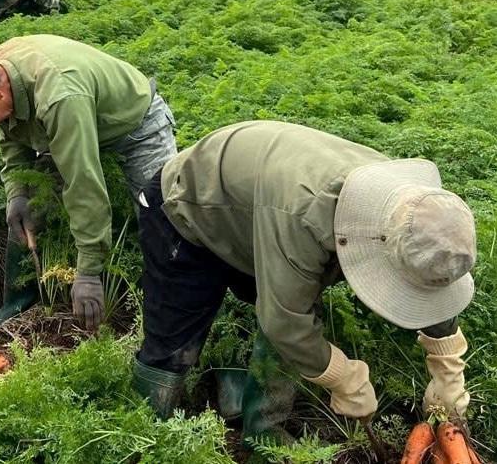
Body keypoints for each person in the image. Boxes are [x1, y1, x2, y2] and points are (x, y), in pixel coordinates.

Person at [134, 120, 475, 451]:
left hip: (259, 206)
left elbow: (430, 277)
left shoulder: (416, 211)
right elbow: (286, 321)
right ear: (377, 240)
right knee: (174, 344)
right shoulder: (309, 217)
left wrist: (447, 364)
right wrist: (342, 377)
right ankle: (145, 433)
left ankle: (262, 434)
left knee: (286, 313)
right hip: (188, 206)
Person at [0, 34, 175, 334]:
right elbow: (12, 135)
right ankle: (16, 305)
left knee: (163, 219)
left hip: (134, 123)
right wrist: (17, 194)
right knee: (31, 204)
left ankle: (164, 322)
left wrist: (88, 273)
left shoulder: (59, 95)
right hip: (66, 121)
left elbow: (83, 182)